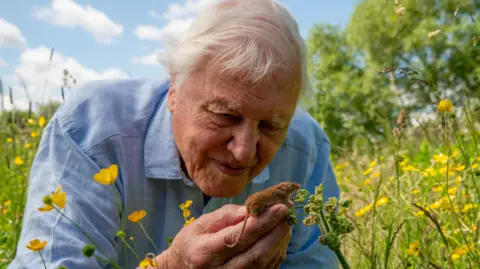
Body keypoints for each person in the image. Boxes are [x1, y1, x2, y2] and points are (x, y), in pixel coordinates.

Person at [7, 0, 340, 268]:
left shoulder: (305, 145)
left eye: (271, 126)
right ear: (174, 89)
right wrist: (171, 266)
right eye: (225, 115)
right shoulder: (89, 128)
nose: (244, 152)